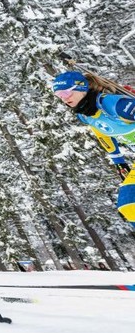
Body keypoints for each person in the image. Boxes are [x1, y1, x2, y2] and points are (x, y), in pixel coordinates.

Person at [52, 71, 135, 229]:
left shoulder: (112, 104)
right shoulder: (86, 115)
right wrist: (119, 162)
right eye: (58, 95)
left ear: (81, 88)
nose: (63, 98)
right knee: (128, 204)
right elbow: (102, 133)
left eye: (65, 92)